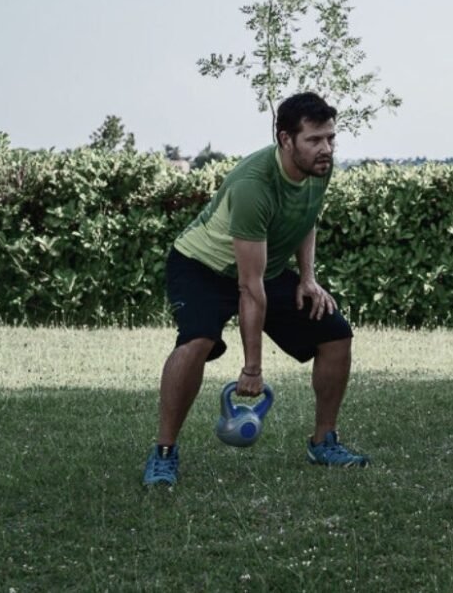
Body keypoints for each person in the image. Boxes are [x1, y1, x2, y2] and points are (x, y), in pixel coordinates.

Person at [142, 92, 369, 487]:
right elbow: (249, 288)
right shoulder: (253, 185)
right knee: (196, 341)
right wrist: (252, 369)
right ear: (285, 140)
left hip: (266, 267)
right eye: (315, 140)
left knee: (335, 335)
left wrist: (308, 278)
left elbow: (305, 218)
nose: (326, 149)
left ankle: (324, 441)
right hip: (203, 267)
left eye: (331, 138)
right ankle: (164, 453)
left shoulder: (318, 168)